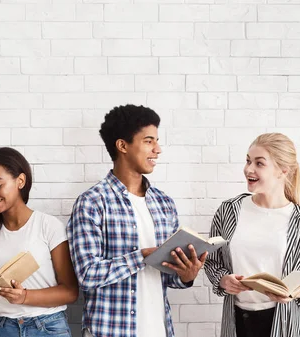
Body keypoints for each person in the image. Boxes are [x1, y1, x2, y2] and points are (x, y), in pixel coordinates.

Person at [67, 104, 206, 337]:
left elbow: (169, 277)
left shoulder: (164, 204)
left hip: (159, 330)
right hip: (110, 331)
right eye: (149, 141)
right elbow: (87, 274)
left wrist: (186, 275)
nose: (158, 149)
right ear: (122, 145)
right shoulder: (92, 202)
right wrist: (142, 256)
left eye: (157, 141)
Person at [204, 133, 300, 337]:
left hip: (283, 324)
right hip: (236, 321)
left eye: (259, 163)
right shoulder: (229, 210)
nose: (249, 169)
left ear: (282, 171)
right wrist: (223, 280)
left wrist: (294, 292)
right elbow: (211, 261)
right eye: (248, 161)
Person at [0, 147, 79, 337]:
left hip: (47, 327)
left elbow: (70, 292)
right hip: (4, 328)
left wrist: (25, 297)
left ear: (20, 181)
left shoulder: (48, 225)